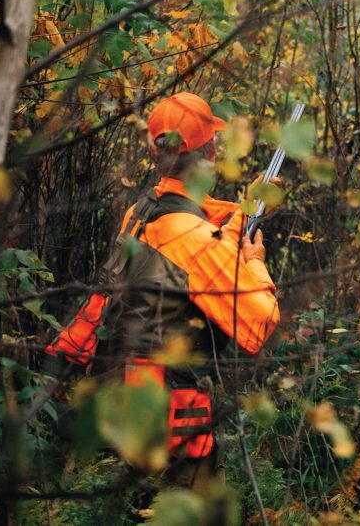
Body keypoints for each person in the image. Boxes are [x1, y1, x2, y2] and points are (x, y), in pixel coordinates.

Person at [42, 92, 280, 486]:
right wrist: (254, 260)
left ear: (155, 152)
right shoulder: (198, 240)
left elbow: (200, 228)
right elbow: (261, 324)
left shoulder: (141, 213)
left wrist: (246, 211)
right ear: (211, 150)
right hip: (176, 428)